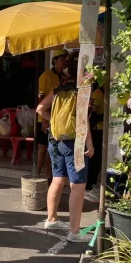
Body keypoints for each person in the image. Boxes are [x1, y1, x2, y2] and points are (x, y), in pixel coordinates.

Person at [36, 58, 94, 243]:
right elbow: (83, 122)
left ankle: (51, 219)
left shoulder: (57, 91)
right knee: (77, 186)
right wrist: (90, 145)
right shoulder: (82, 93)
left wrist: (52, 122)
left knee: (57, 180)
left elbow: (39, 109)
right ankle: (74, 231)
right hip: (74, 143)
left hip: (54, 141)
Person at [37, 49, 68, 183]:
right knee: (43, 149)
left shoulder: (65, 77)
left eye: (66, 60)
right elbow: (40, 97)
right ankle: (37, 175)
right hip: (45, 117)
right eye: (61, 60)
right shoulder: (46, 75)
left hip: (58, 119)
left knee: (52, 150)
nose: (64, 63)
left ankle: (49, 177)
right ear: (55, 60)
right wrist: (44, 120)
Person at [86, 80, 104, 202]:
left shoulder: (100, 93)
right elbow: (93, 110)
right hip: (97, 129)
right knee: (95, 158)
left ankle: (91, 183)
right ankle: (90, 183)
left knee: (97, 159)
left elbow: (92, 111)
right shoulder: (99, 93)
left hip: (100, 129)